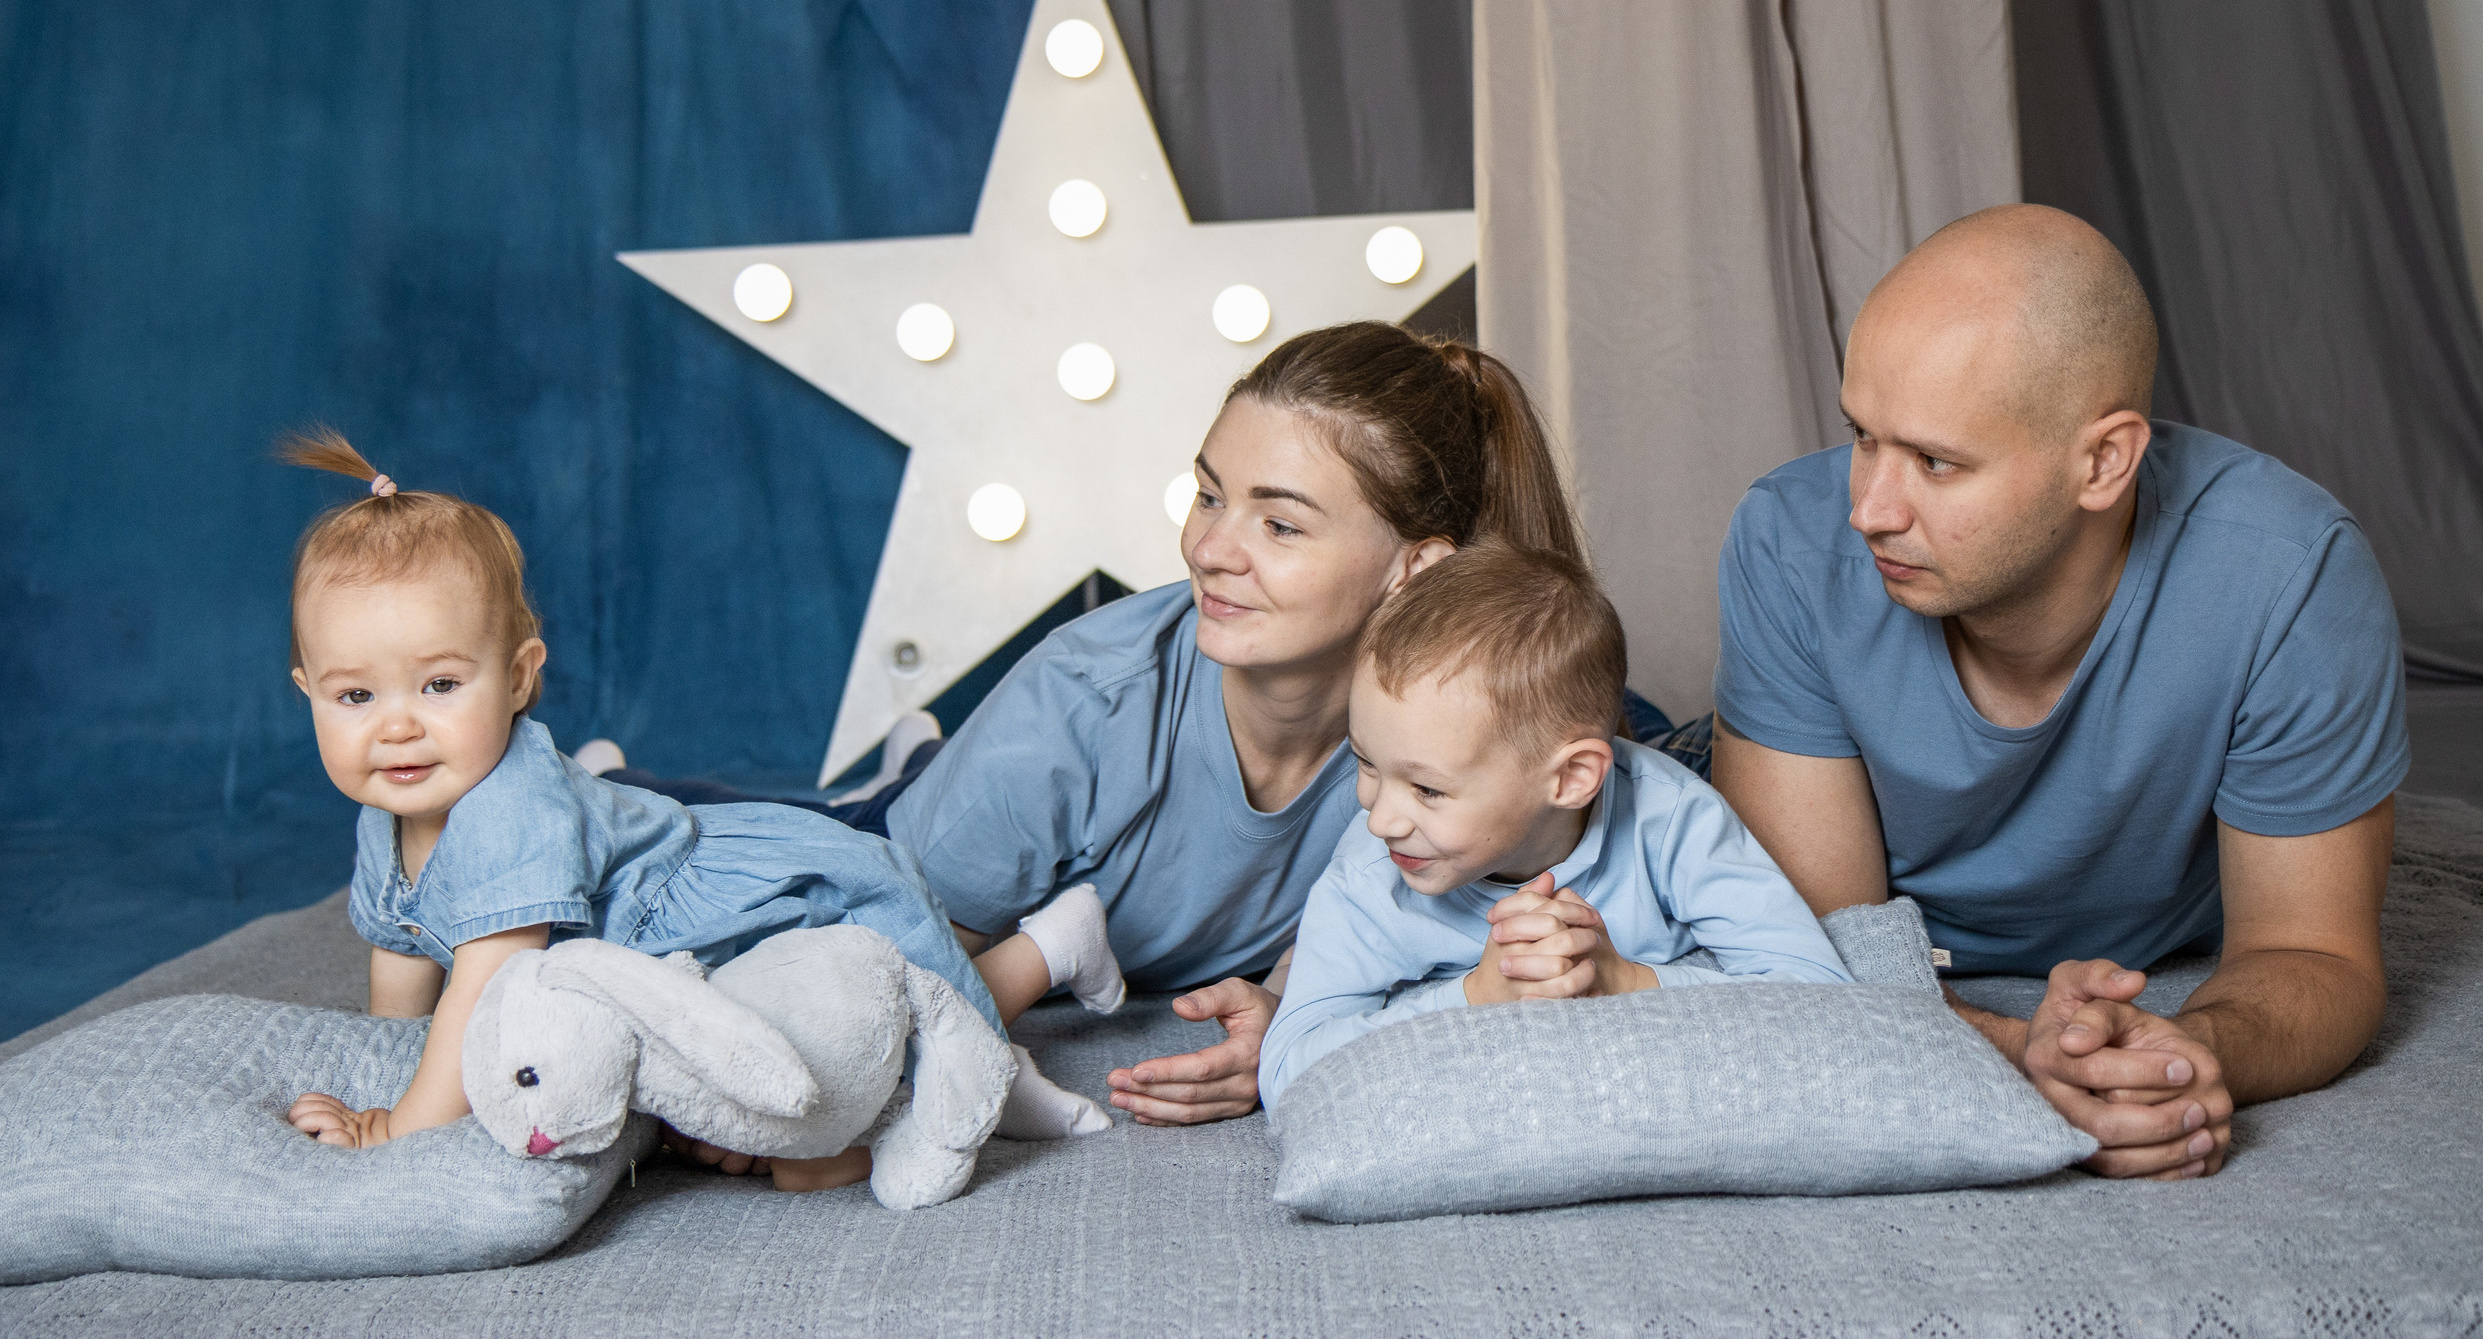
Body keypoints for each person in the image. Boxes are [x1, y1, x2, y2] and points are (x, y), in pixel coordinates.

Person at [617, 321, 1589, 1124]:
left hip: (1031, 816)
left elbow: (1392, 926)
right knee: (648, 845)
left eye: (1279, 524)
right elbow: (890, 964)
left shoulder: (1472, 737)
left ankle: (920, 755)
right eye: (1208, 494)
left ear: (1414, 570)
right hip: (895, 849)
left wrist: (1283, 1011)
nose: (1210, 548)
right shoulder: (1086, 702)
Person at [1710, 205, 2405, 1181]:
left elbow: (2316, 955)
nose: (1868, 509)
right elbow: (1812, 957)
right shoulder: (1789, 539)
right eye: (1862, 436)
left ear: (2103, 461)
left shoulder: (2289, 574)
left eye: (1935, 461)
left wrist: (2185, 1053)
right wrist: (2028, 1055)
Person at [272, 431, 1102, 1190]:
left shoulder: (507, 810)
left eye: (440, 684)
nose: (397, 726)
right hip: (654, 952)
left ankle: (1035, 978)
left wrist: (398, 1126)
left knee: (870, 1018)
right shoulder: (391, 806)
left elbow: (481, 984)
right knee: (772, 1087)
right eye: (356, 695)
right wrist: (388, 1055)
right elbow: (404, 949)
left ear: (520, 677)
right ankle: (1028, 968)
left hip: (736, 921)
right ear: (309, 692)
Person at [1258, 544, 1848, 1105]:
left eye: (1427, 789)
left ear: (1570, 779)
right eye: (1366, 762)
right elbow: (1287, 1073)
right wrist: (1474, 997)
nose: (1380, 819)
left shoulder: (1672, 818)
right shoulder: (1372, 871)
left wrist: (1627, 984)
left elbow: (1821, 998)